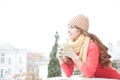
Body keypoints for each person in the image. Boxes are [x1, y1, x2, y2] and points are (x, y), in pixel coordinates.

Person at [57, 14, 120, 79]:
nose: (68, 30)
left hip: (113, 78)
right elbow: (68, 73)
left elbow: (89, 73)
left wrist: (74, 56)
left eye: (72, 27)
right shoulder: (72, 46)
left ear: (81, 30)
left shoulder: (91, 45)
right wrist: (60, 59)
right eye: (68, 27)